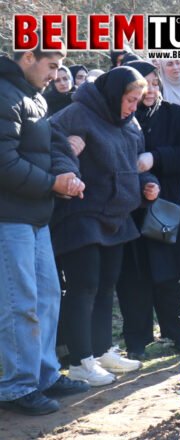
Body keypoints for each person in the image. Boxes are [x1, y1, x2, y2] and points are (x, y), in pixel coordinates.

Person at [49, 66, 160, 385]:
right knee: (84, 285)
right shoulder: (76, 114)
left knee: (107, 284)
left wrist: (147, 183)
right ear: (114, 94)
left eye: (138, 100)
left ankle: (101, 350)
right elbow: (53, 148)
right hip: (81, 212)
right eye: (130, 99)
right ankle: (80, 360)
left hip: (117, 214)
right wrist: (68, 164)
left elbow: (133, 164)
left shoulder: (131, 123)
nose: (134, 107)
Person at [0, 46, 89, 416]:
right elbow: (4, 164)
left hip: (36, 216)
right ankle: (17, 386)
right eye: (51, 66)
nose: (55, 76)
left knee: (48, 297)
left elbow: (55, 146)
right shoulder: (4, 95)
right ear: (27, 57)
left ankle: (44, 374)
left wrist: (68, 175)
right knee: (19, 304)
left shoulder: (34, 96)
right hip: (9, 219)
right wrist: (53, 183)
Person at [114, 60, 180, 359]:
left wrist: (156, 158)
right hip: (130, 209)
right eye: (145, 85)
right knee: (133, 278)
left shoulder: (173, 114)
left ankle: (178, 333)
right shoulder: (119, 117)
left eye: (156, 83)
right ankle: (137, 340)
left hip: (168, 207)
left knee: (171, 275)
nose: (151, 90)